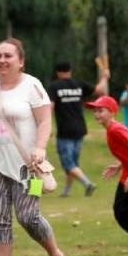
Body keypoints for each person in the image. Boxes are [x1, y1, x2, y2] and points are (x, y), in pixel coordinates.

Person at [0, 37, 70, 256]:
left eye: (8, 56)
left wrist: (40, 147)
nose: (2, 60)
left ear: (21, 61)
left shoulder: (32, 86)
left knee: (29, 216)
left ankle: (56, 254)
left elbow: (45, 120)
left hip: (27, 167)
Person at [86, 95, 128, 248]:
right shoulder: (111, 129)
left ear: (112, 112)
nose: (96, 114)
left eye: (100, 111)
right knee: (120, 211)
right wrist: (119, 165)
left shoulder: (116, 129)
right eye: (95, 111)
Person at [46, 61, 97, 197]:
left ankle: (88, 184)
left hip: (65, 131)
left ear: (57, 72)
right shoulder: (79, 85)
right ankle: (67, 191)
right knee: (73, 164)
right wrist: (104, 77)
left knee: (69, 164)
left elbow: (50, 107)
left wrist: (47, 126)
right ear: (70, 70)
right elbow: (99, 90)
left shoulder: (54, 87)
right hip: (80, 128)